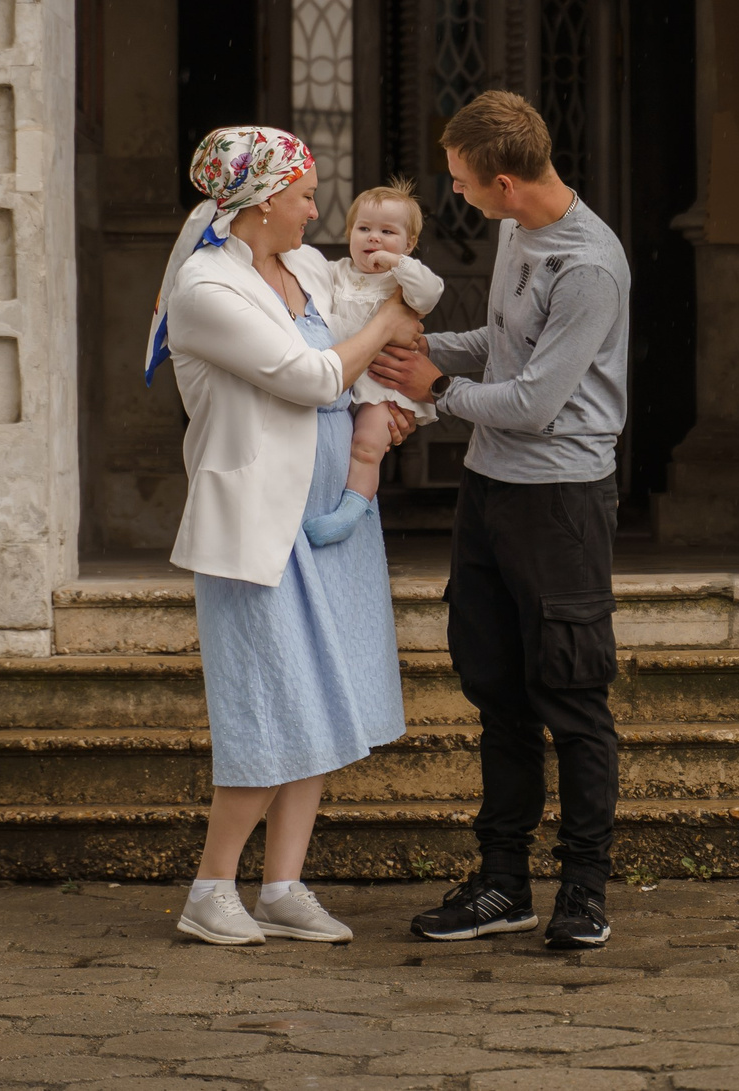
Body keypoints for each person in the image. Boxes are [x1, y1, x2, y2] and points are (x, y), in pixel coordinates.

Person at [370, 90, 632, 952]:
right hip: (488, 493)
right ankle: (503, 882)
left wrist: (432, 394)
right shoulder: (518, 232)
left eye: (462, 183)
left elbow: (534, 400)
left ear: (507, 181)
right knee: (498, 693)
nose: (458, 197)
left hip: (560, 503)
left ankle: (584, 889)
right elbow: (502, 343)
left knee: (571, 697)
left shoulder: (588, 264)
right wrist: (417, 349)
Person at [150, 125, 422, 946]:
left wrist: (382, 409)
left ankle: (283, 883)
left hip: (333, 521)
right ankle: (209, 887)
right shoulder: (206, 287)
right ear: (265, 200)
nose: (316, 210)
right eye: (305, 194)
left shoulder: (301, 266)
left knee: (323, 704)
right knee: (268, 707)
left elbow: (349, 357)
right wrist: (391, 321)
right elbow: (310, 377)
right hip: (260, 528)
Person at [310, 180, 444, 543]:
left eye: (388, 232)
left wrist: (398, 264)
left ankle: (350, 513)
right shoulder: (337, 271)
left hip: (382, 385)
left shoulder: (400, 281)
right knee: (334, 449)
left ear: (409, 243)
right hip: (341, 378)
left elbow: (431, 292)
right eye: (364, 229)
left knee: (367, 446)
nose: (373, 239)